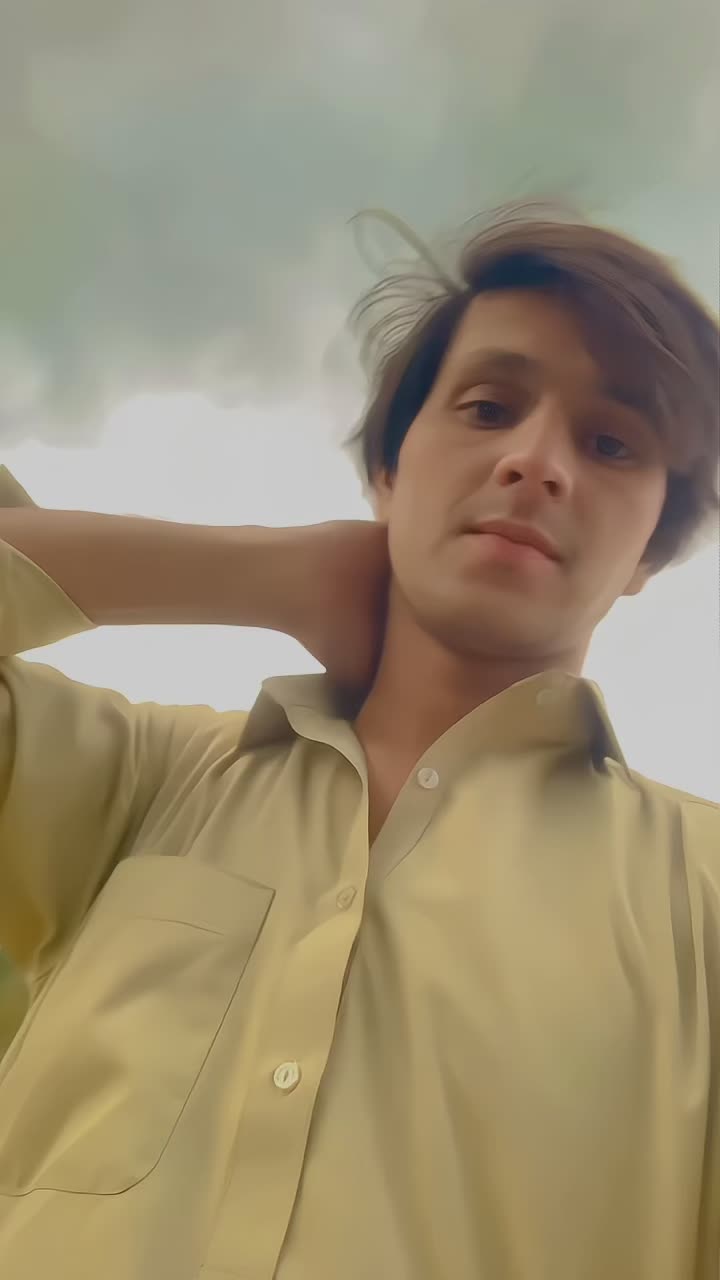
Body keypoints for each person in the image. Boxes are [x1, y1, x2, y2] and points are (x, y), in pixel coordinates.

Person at [0, 200, 718, 1280]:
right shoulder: (135, 782)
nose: (536, 461)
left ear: (649, 554)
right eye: (487, 407)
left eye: (611, 442)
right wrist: (261, 574)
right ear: (389, 468)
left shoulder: (702, 894)